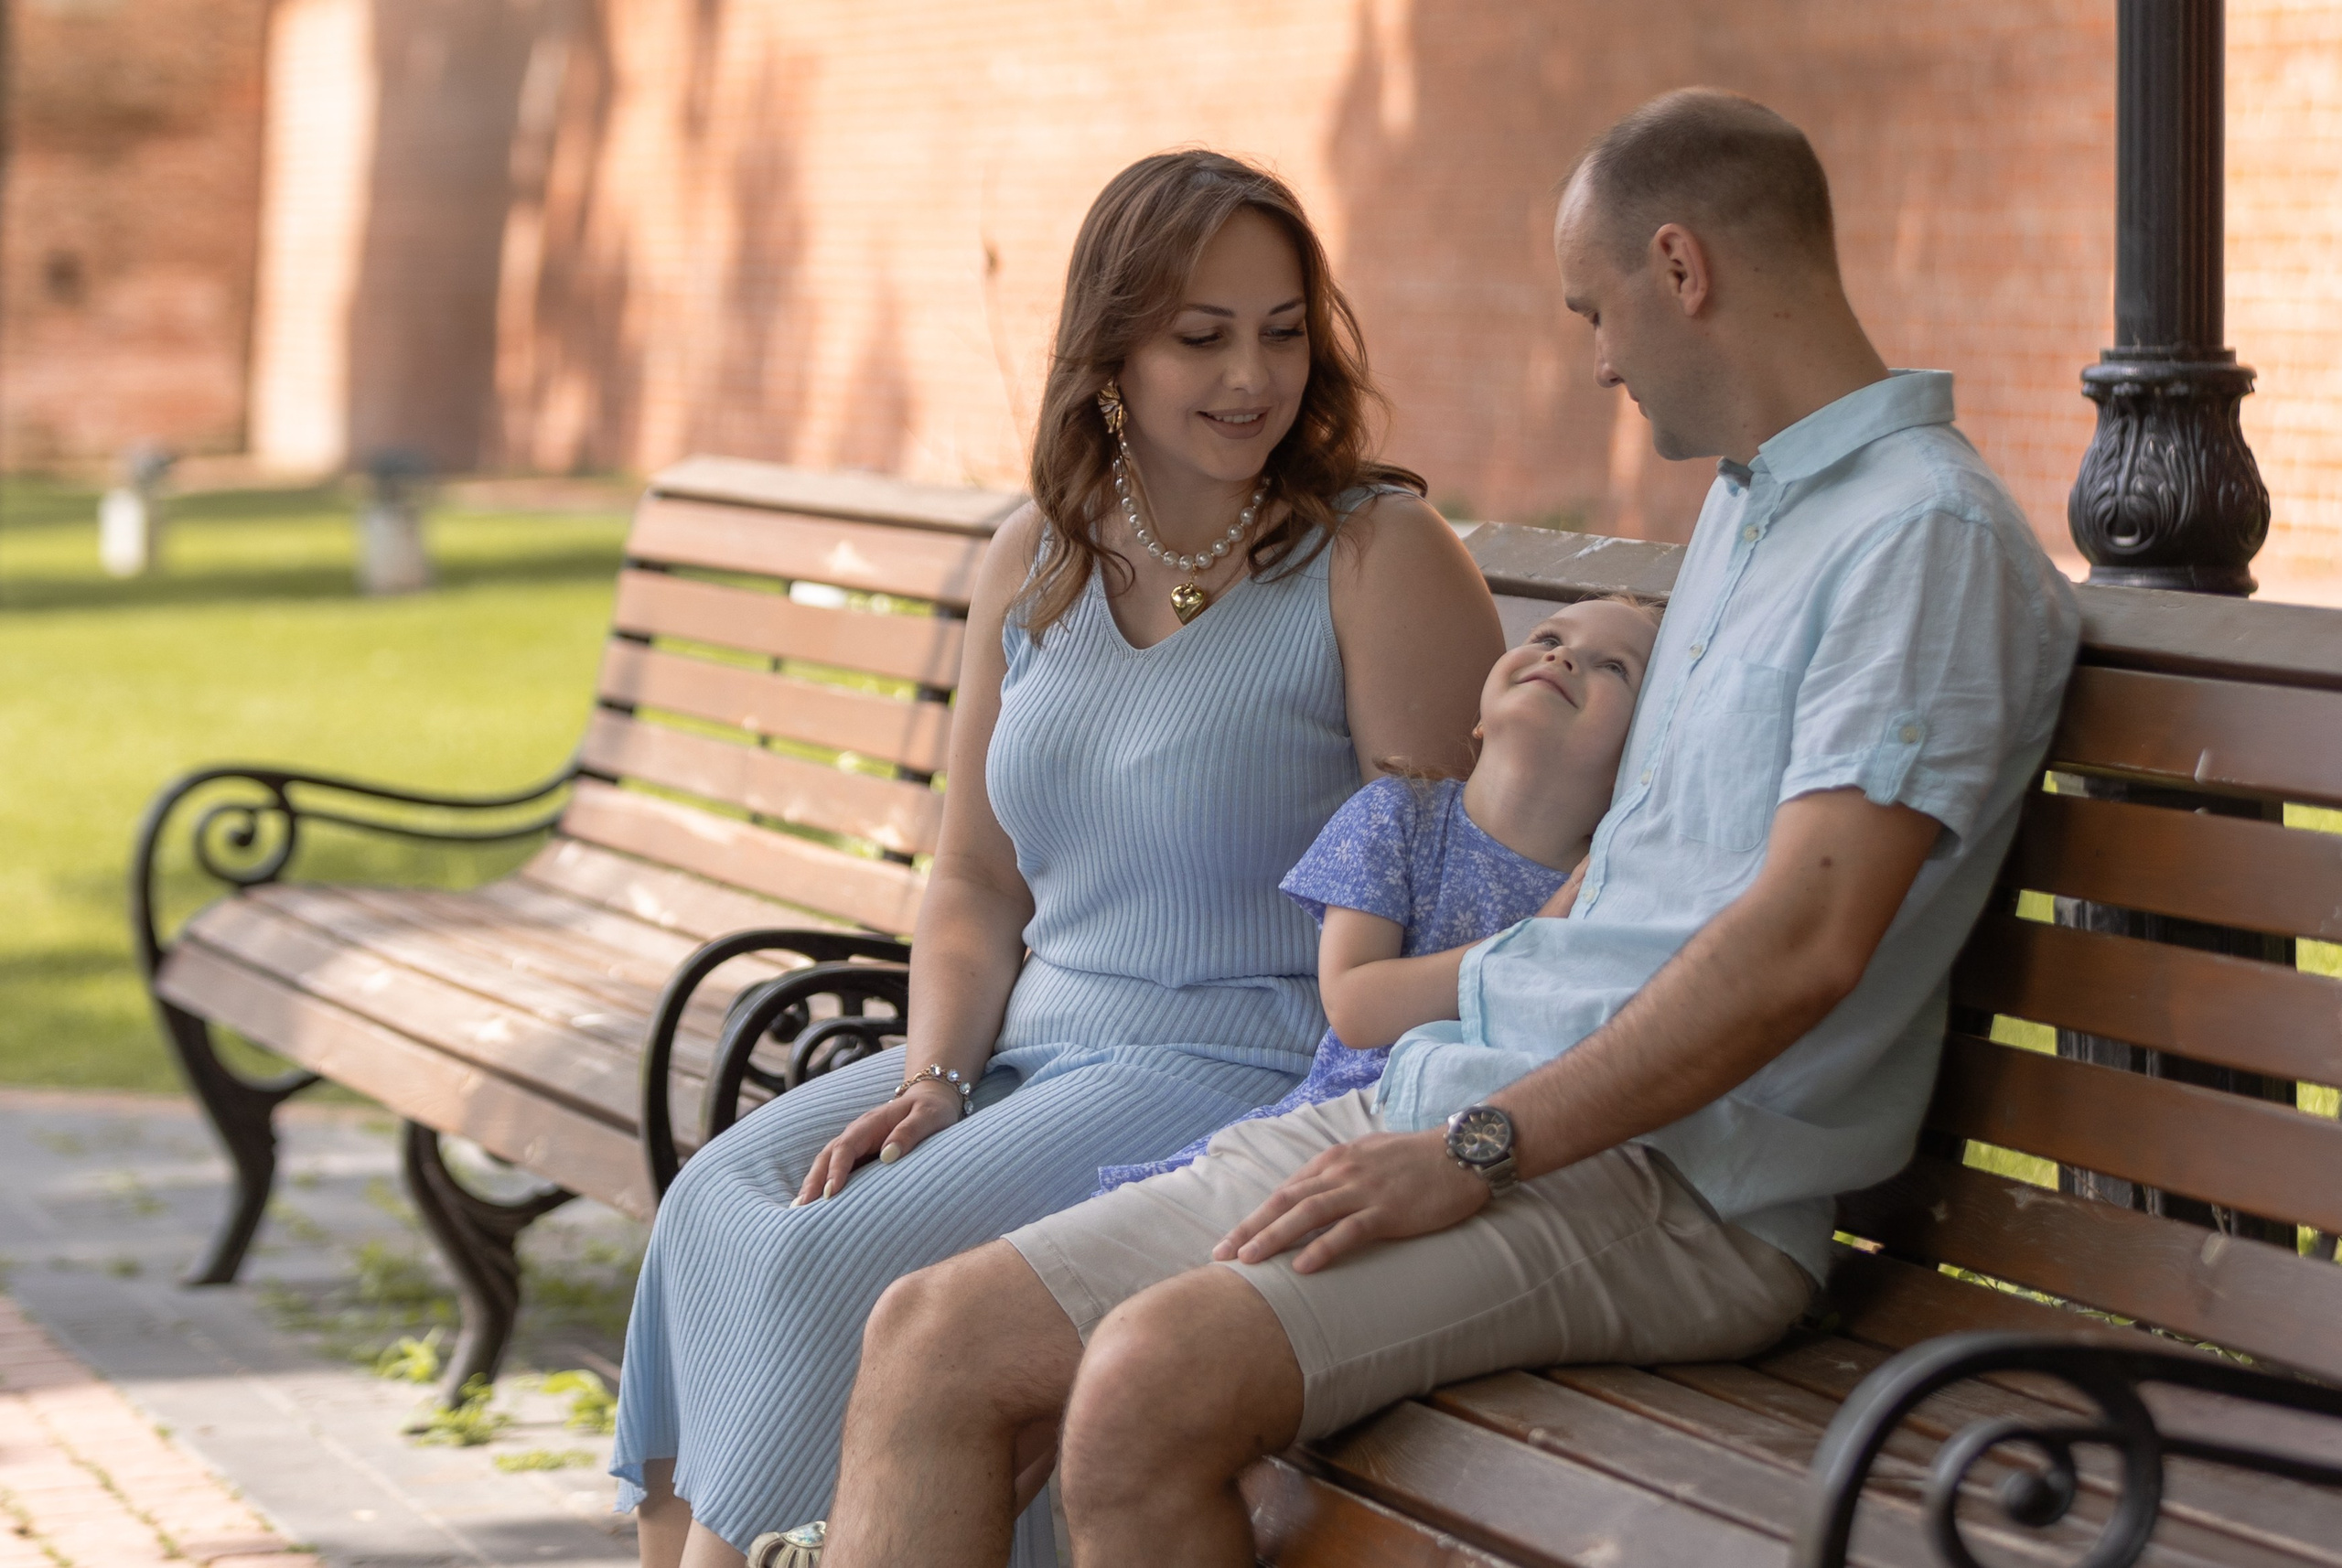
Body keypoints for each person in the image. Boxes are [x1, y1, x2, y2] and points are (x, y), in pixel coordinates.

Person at [819, 88, 2082, 1568]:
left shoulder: (1918, 538)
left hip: (1667, 1179)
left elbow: (1801, 945)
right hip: (1474, 1094)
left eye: (1595, 311)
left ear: (1682, 269)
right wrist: (1464, 1105)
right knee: (933, 1333)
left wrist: (1483, 1140)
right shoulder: (1758, 506)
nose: (1599, 361)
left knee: (1147, 1383)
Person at [611, 149, 1505, 1568]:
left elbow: (1470, 888)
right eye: (1199, 337)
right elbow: (975, 881)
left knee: (823, 1253)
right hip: (1033, 1045)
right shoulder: (1037, 557)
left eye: (1282, 331)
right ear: (1110, 354)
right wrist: (934, 1077)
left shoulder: (1375, 555)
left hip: (1236, 1068)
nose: (1250, 377)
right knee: (719, 1202)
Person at [1095, 593, 1660, 1195]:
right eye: (1549, 638)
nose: (1565, 658)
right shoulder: (1398, 815)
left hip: (1487, 1155)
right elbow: (1358, 1006)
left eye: (1614, 667)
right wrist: (1529, 943)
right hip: (1337, 1124)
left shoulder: (1616, 887)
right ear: (1481, 712)